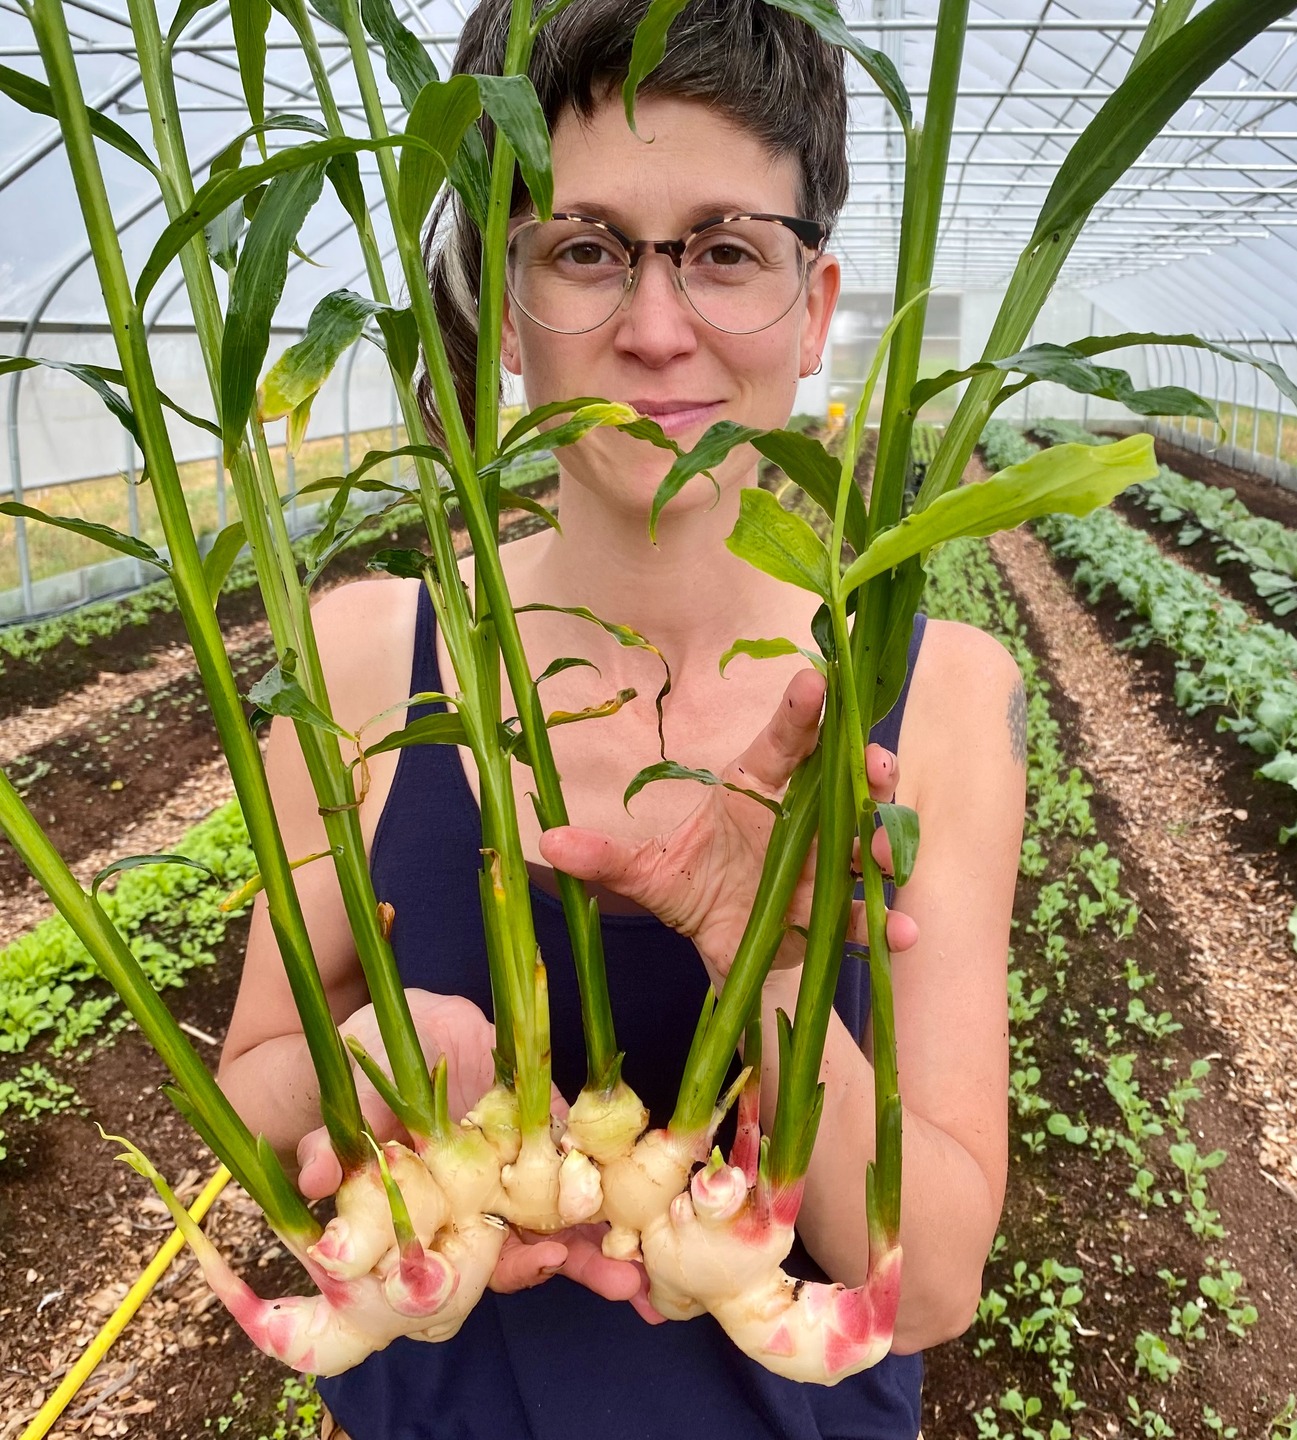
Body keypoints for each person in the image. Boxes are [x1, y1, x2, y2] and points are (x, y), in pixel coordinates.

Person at [217, 1, 1022, 1435]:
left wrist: (764, 960)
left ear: (815, 305)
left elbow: (938, 1276)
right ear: (506, 313)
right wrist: (355, 1074)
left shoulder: (936, 692)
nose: (658, 332)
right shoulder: (356, 658)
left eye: (725, 251)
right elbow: (259, 1083)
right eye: (585, 251)